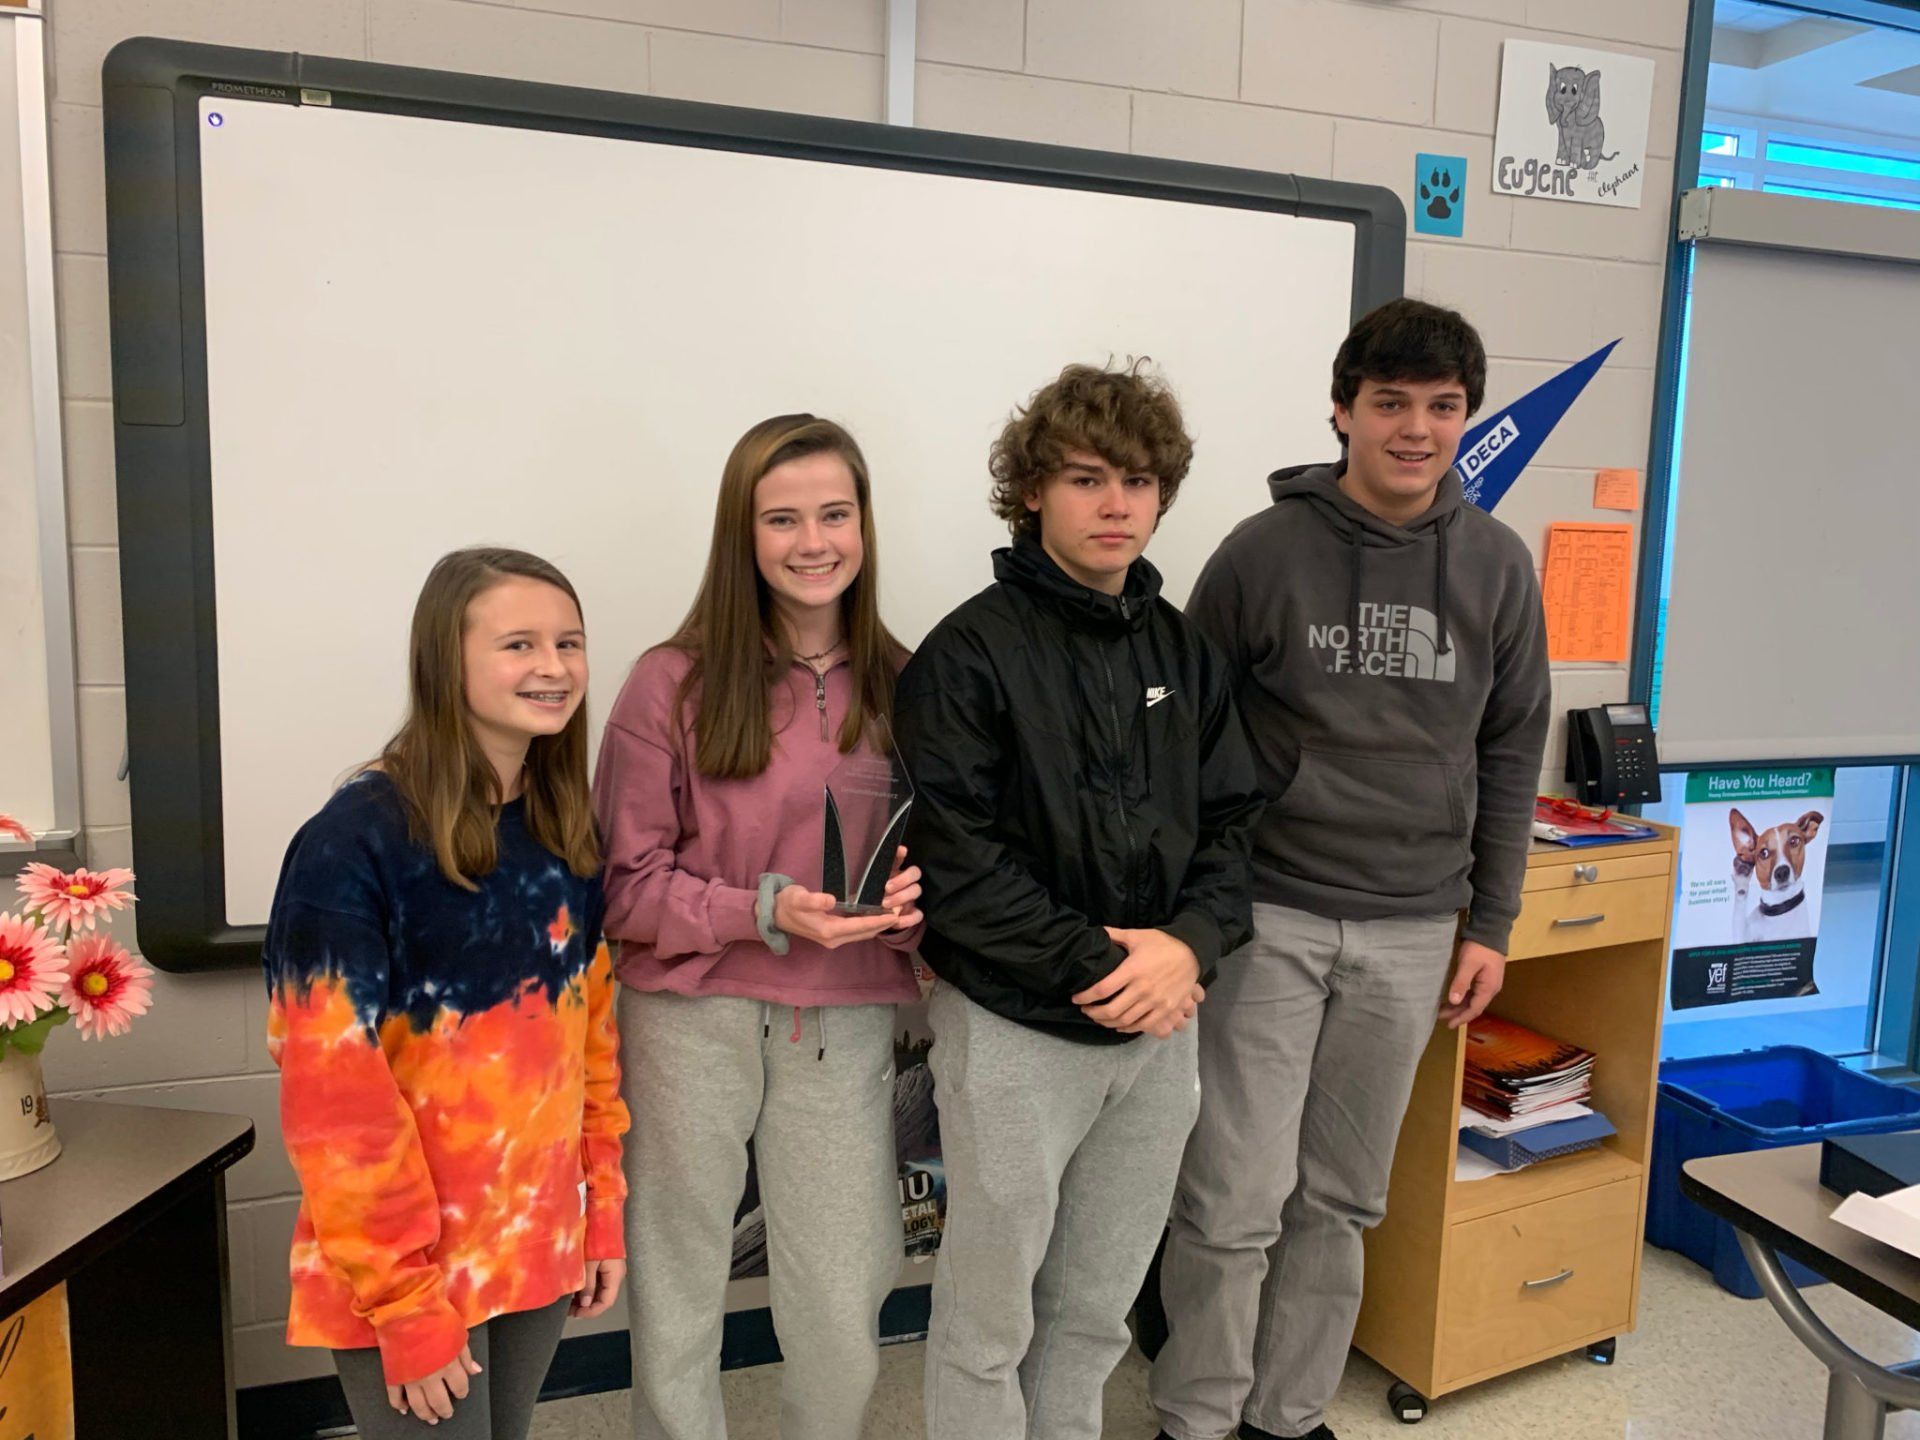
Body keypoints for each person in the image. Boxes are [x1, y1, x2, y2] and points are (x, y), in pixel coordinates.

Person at [1151, 298, 1552, 1440]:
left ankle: (1287, 1415)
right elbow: (1187, 740)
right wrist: (1199, 911)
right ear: (1343, 410)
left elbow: (1514, 744)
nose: (1416, 429)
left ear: (1465, 418)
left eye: (1442, 407)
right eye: (1391, 404)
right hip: (1270, 917)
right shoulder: (1260, 553)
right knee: (1233, 1200)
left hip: (1419, 928)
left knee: (1340, 1199)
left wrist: (1493, 921)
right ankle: (1197, 1416)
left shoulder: (1494, 565)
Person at [895, 362, 1261, 1440]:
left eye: (1140, 483)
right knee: (988, 1317)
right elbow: (957, 864)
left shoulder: (1185, 651)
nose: (1117, 505)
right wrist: (1107, 969)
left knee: (1094, 1313)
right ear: (1032, 493)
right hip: (1017, 1031)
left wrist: (1188, 951)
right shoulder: (966, 655)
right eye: (1088, 479)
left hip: (1159, 1035)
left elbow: (1236, 828)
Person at [593, 414, 924, 1440]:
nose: (812, 540)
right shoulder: (669, 681)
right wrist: (763, 910)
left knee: (839, 1287)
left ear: (865, 525)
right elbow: (625, 889)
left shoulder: (916, 683)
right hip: (690, 1014)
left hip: (847, 1021)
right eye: (781, 519)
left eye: (834, 513)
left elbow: (944, 863)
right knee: (680, 1270)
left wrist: (918, 918)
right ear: (743, 536)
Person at [264, 547, 629, 1439]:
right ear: (445, 661)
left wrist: (598, 1210)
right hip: (410, 1272)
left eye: (569, 643)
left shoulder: (560, 827)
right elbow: (332, 1096)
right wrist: (403, 1299)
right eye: (518, 644)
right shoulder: (355, 842)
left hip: (535, 1240)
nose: (552, 667)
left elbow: (591, 1045)